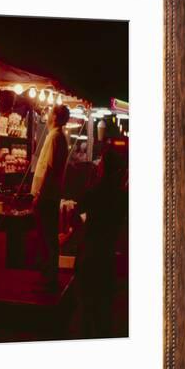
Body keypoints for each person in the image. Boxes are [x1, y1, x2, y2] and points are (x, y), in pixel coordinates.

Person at [74, 140, 128, 338]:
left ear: (104, 168)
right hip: (107, 256)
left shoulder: (93, 192)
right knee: (104, 311)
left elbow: (77, 213)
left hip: (90, 254)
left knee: (87, 310)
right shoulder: (122, 198)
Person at [31, 105, 70, 289]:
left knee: (46, 237)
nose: (46, 116)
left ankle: (49, 278)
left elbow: (50, 167)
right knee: (48, 237)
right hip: (51, 194)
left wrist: (40, 193)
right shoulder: (59, 136)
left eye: (49, 113)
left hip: (48, 195)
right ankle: (49, 275)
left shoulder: (55, 137)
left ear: (54, 116)